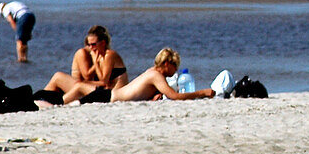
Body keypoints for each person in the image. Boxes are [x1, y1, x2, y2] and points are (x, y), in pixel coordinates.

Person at [59, 47, 214, 104]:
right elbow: (174, 96)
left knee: (67, 102)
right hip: (107, 98)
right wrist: (202, 93)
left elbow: (140, 92)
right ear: (167, 64)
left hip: (109, 96)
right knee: (62, 104)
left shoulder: (151, 72)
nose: (176, 70)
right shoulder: (155, 75)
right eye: (175, 66)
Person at [34, 26, 129, 103]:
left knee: (69, 82)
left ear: (103, 43)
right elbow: (103, 80)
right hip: (106, 91)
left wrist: (94, 63)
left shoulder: (109, 55)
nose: (91, 47)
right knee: (59, 77)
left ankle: (56, 102)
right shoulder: (99, 56)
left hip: (115, 93)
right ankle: (40, 98)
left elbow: (102, 81)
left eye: (93, 44)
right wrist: (96, 63)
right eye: (89, 44)